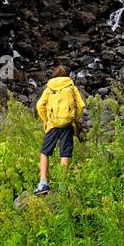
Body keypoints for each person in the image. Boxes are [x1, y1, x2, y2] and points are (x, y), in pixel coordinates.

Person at [33, 66, 84, 196]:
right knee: (64, 154)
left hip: (52, 124)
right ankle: (62, 184)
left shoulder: (49, 88)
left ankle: (43, 183)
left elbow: (39, 105)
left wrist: (46, 120)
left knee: (45, 152)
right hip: (67, 124)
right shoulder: (71, 87)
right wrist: (73, 119)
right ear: (68, 75)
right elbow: (81, 105)